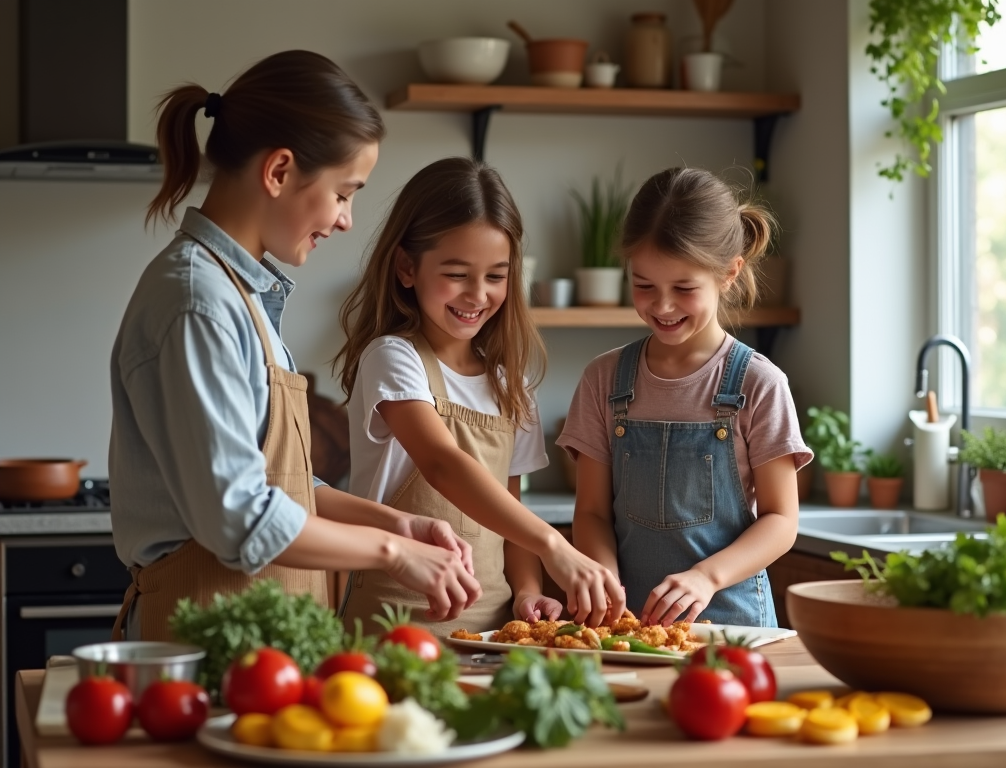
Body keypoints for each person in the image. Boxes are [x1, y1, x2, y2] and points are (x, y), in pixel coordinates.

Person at [109, 50, 480, 642]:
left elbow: (283, 489)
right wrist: (389, 552)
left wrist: (400, 524)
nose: (346, 220)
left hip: (257, 649)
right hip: (200, 645)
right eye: (343, 192)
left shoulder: (241, 296)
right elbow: (240, 519)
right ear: (279, 171)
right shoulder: (197, 304)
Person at [335, 157, 625, 635]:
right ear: (407, 267)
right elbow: (443, 464)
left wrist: (529, 588)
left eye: (496, 276)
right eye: (456, 273)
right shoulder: (392, 358)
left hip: (491, 635)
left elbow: (509, 512)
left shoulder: (509, 386)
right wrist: (555, 546)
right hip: (394, 627)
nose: (477, 294)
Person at [557, 167, 811, 628]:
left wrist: (705, 577)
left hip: (733, 625)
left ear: (729, 273)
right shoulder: (603, 379)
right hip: (628, 623)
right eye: (644, 285)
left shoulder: (759, 383)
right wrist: (604, 582)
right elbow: (591, 512)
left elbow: (781, 520)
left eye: (684, 288)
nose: (662, 306)